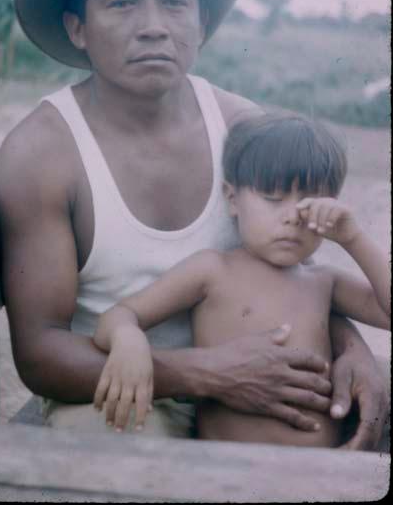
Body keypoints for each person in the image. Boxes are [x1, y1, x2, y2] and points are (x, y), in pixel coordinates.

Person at [0, 0, 389, 447]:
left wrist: (354, 350)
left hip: (259, 383)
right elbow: (40, 353)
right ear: (78, 27)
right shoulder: (43, 153)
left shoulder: (241, 126)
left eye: (175, 1)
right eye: (123, 2)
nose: (154, 25)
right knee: (127, 455)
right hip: (114, 388)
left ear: (201, 23)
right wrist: (213, 374)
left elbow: (293, 268)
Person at [92, 114, 390, 447]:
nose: (292, 217)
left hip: (319, 474)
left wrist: (353, 237)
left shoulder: (324, 281)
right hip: (229, 472)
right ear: (232, 199)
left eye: (309, 205)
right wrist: (128, 339)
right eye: (273, 200)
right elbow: (118, 315)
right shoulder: (212, 271)